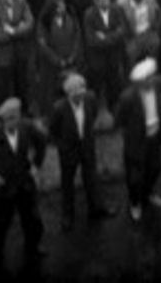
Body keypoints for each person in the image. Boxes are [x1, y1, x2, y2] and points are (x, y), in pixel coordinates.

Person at [0, 96, 47, 268]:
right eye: (8, 120)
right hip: (4, 185)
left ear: (19, 117)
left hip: (24, 181)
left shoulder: (27, 127)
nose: (12, 123)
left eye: (15, 118)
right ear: (2, 120)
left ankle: (33, 247)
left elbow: (42, 142)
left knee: (32, 219)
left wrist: (36, 165)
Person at [48, 71, 110, 230]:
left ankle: (96, 207)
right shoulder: (59, 108)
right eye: (74, 94)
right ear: (68, 94)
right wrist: (62, 145)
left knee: (91, 177)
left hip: (87, 145)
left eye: (81, 91)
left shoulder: (90, 99)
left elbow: (93, 115)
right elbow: (53, 130)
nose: (79, 96)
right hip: (68, 149)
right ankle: (68, 215)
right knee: (67, 183)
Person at [114, 57, 161, 220]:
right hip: (137, 141)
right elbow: (119, 120)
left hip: (155, 137)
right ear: (140, 81)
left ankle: (148, 193)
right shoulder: (128, 97)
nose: (153, 81)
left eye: (153, 77)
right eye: (149, 79)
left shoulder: (157, 87)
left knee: (155, 168)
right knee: (135, 176)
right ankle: (135, 202)